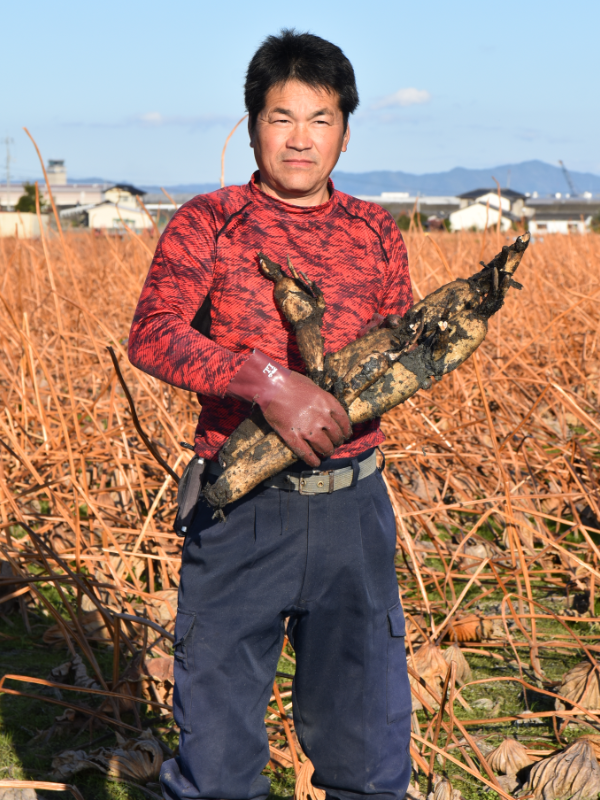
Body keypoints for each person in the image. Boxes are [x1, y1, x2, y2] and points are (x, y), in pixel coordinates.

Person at [128, 29, 413, 800]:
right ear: (254, 123)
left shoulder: (375, 232)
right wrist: (263, 380)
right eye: (281, 116)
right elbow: (151, 334)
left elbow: (400, 354)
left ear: (345, 131)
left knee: (369, 763)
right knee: (217, 770)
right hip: (240, 511)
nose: (300, 137)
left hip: (355, 510)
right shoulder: (209, 222)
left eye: (320, 118)